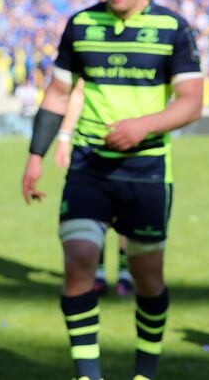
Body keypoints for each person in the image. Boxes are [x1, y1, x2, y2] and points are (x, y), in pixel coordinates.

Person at [20, 0, 203, 380]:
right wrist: (36, 155)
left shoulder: (173, 28)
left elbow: (191, 101)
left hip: (146, 170)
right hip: (88, 165)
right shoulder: (81, 25)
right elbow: (58, 92)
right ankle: (89, 374)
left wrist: (142, 126)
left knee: (146, 279)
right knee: (80, 259)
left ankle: (143, 373)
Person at [55, 79, 134, 297]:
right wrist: (64, 136)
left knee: (125, 219)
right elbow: (78, 91)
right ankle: (97, 273)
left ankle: (124, 273)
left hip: (131, 144)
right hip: (91, 147)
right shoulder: (90, 48)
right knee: (94, 215)